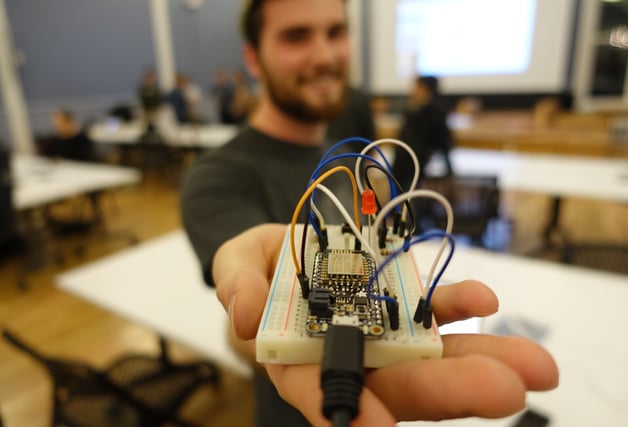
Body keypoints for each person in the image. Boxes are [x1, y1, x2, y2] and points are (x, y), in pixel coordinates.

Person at [180, 1, 559, 426]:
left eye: (335, 32)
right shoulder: (215, 177)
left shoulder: (350, 136)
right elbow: (242, 331)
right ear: (252, 56)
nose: (324, 55)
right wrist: (259, 327)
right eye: (296, 35)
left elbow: (377, 224)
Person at [392, 75, 454, 191]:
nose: (413, 91)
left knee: (414, 202)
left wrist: (449, 170)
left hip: (419, 167)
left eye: (417, 87)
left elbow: (443, 142)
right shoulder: (412, 110)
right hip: (402, 165)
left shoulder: (435, 112)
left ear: (426, 90)